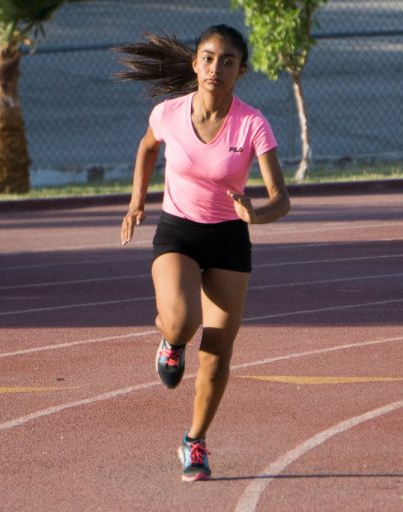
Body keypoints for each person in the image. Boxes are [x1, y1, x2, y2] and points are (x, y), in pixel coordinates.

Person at [117, 25, 290, 482]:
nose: (217, 68)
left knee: (216, 352)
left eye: (228, 60)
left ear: (241, 70)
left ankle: (194, 442)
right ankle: (171, 344)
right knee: (182, 320)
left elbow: (281, 198)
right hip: (179, 232)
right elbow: (147, 147)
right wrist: (138, 201)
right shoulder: (169, 113)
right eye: (209, 58)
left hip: (229, 237)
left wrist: (257, 214)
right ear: (195, 63)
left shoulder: (253, 123)